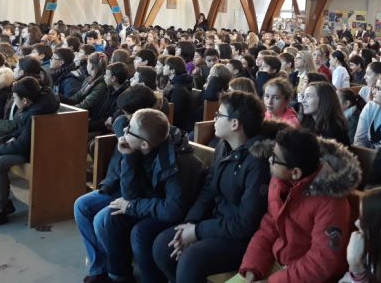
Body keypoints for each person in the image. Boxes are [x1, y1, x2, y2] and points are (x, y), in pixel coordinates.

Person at [75, 108, 205, 283]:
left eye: (129, 129)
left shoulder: (176, 162)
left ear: (144, 144)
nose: (125, 130)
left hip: (181, 212)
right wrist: (128, 158)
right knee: (113, 216)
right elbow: (130, 194)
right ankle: (120, 276)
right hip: (157, 202)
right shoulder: (140, 149)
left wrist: (131, 206)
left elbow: (173, 210)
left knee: (140, 232)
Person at [153, 91, 271, 282]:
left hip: (241, 237)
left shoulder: (258, 162)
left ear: (235, 124)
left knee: (191, 260)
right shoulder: (224, 146)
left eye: (219, 115)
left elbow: (245, 223)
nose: (214, 119)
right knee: (163, 246)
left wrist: (197, 232)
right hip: (216, 221)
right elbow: (209, 187)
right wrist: (191, 222)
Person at [230, 128, 361, 283]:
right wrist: (252, 269)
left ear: (295, 173)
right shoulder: (280, 180)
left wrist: (271, 282)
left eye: (275, 158)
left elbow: (320, 263)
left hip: (307, 276)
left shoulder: (331, 203)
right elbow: (269, 226)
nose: (269, 160)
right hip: (279, 265)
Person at [0, 77, 59, 226]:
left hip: (35, 152)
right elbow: (21, 132)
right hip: (29, 146)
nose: (14, 101)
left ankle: (0, 209)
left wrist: (0, 149)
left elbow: (23, 144)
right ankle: (2, 202)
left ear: (25, 100)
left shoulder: (34, 114)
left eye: (15, 98)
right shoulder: (37, 104)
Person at [66, 52, 110, 132]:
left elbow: (85, 105)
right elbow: (77, 96)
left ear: (91, 66)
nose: (86, 66)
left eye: (87, 63)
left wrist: (66, 111)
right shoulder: (89, 79)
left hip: (91, 119)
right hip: (83, 114)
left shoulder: (101, 85)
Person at [163, 56, 194, 132]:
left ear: (172, 70)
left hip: (180, 129)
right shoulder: (176, 83)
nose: (163, 67)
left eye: (166, 65)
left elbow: (174, 113)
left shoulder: (178, 89)